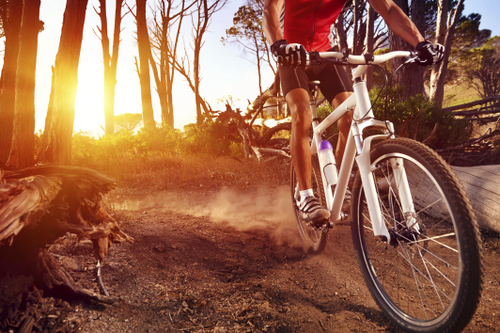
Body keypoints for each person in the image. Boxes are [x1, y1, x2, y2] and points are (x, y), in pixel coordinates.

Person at [263, 0, 444, 226]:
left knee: (350, 115)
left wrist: (420, 42)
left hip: (324, 53)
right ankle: (306, 195)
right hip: (292, 53)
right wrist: (278, 44)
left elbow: (388, 9)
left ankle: (338, 184)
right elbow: (271, 7)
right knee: (302, 113)